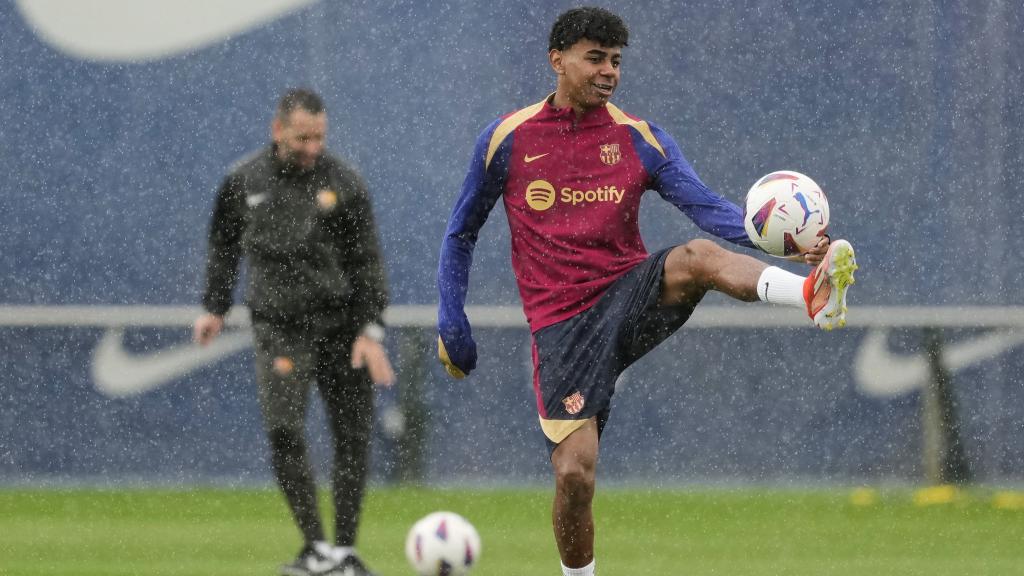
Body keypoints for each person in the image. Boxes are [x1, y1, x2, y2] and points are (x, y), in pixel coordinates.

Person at [436, 7, 858, 576]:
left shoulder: (640, 138)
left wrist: (788, 246)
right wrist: (452, 319)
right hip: (561, 326)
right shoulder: (506, 139)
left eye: (615, 61)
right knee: (574, 475)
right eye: (595, 58)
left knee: (697, 257)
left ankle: (811, 294)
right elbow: (461, 231)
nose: (608, 72)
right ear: (556, 59)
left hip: (630, 294)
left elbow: (707, 208)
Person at [194, 88, 392, 576]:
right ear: (277, 130)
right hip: (280, 329)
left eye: (319, 138)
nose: (312, 148)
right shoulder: (244, 181)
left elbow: (367, 261)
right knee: (284, 430)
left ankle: (344, 552)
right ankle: (315, 549)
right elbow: (223, 245)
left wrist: (370, 329)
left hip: (342, 328)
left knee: (352, 437)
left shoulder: (344, 182)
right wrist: (214, 307)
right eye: (303, 138)